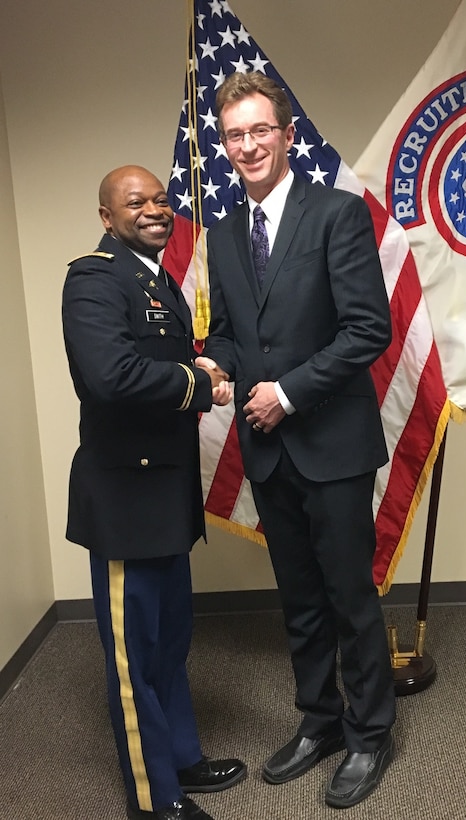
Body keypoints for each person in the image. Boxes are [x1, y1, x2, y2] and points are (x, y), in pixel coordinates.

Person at [202, 73, 396, 810]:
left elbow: (366, 330)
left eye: (259, 131)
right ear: (224, 146)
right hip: (266, 449)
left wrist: (285, 392)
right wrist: (214, 359)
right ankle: (320, 723)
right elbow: (228, 326)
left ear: (286, 134)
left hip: (331, 443)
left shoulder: (337, 215)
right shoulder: (223, 233)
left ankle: (370, 732)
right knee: (300, 601)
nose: (247, 146)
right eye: (233, 136)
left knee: (349, 596)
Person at [62, 165, 244, 820]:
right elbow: (112, 376)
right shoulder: (92, 277)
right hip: (123, 501)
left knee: (169, 641)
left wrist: (203, 366)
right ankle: (152, 795)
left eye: (161, 199)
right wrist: (197, 383)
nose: (155, 208)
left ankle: (181, 757)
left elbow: (165, 363)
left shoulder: (157, 280)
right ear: (107, 217)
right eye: (135, 201)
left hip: (165, 494)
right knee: (134, 655)